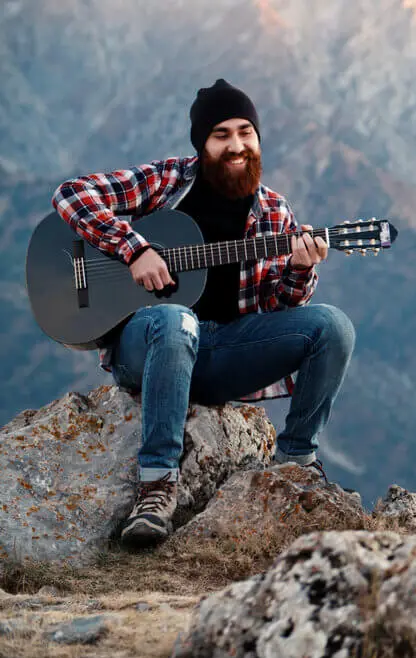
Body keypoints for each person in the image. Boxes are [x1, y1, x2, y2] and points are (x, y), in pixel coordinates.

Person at [52, 79, 355, 547]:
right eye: (221, 135)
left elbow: (278, 313)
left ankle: (295, 464)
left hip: (222, 354)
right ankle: (156, 488)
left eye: (246, 132)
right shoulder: (170, 182)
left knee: (333, 326)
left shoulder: (275, 212)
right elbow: (72, 194)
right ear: (202, 144)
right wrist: (134, 250)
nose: (237, 145)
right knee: (177, 319)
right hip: (151, 348)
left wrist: (299, 268)